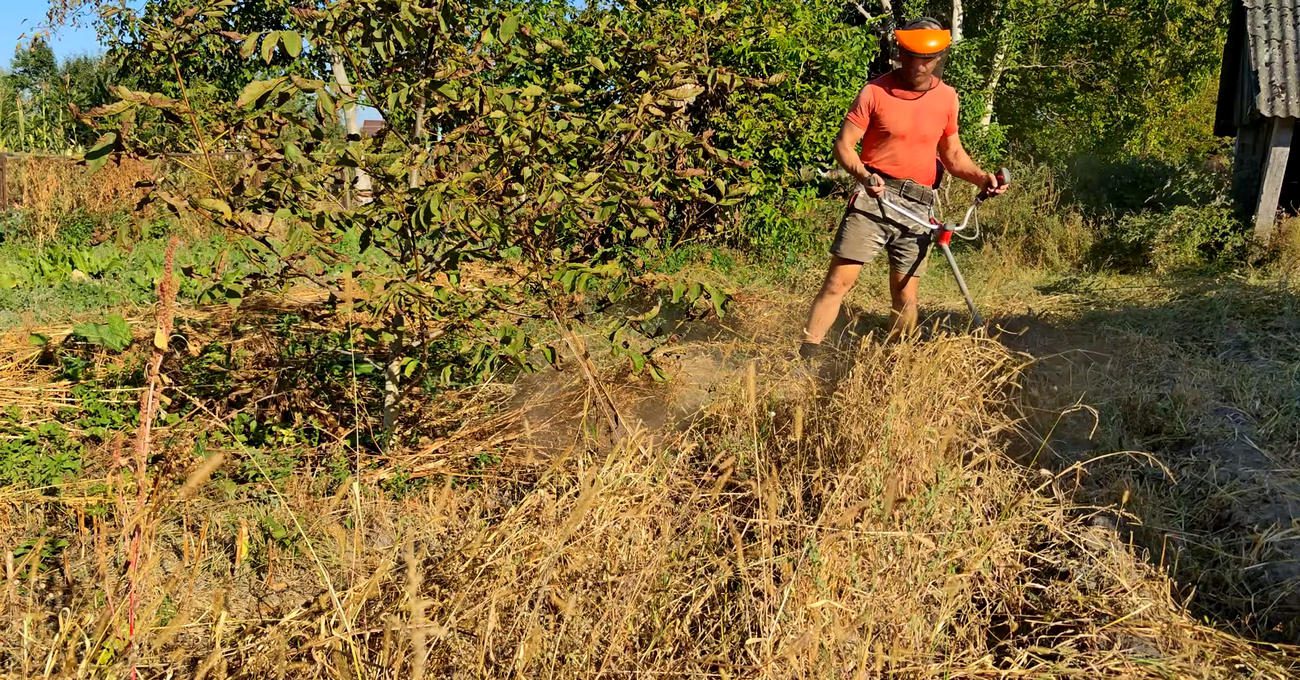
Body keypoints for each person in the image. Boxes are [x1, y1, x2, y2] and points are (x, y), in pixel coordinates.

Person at [798, 18, 1007, 361]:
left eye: (928, 58)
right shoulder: (874, 92)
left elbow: (952, 155)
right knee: (839, 282)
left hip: (918, 204)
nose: (919, 65)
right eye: (911, 56)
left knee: (905, 294)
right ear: (900, 53)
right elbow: (844, 145)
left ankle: (898, 362)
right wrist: (864, 175)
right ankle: (808, 357)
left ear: (940, 57)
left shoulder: (948, 99)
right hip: (874, 196)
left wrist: (983, 178)